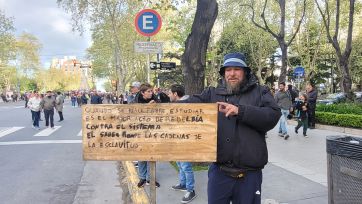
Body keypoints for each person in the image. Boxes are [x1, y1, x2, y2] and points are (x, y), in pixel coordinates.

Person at [183, 53, 280, 204]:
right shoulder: (212, 93)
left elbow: (272, 116)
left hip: (249, 176)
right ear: (223, 73)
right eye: (228, 70)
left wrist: (240, 111)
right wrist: (158, 108)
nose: (232, 74)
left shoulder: (260, 92)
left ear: (245, 72)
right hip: (219, 173)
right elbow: (187, 106)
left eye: (237, 69)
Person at [168, 84, 196, 203]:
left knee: (186, 167)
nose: (168, 95)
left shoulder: (186, 105)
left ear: (175, 94)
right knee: (180, 165)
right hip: (177, 140)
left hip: (185, 141)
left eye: (170, 93)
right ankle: (183, 184)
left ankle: (191, 190)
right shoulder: (177, 105)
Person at [132, 83, 161, 188]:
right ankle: (142, 178)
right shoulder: (136, 100)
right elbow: (132, 114)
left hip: (153, 132)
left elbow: (162, 111)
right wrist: (146, 107)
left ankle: (150, 179)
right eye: (148, 91)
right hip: (140, 132)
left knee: (152, 156)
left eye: (151, 91)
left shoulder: (155, 99)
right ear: (142, 93)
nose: (151, 93)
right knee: (141, 157)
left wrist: (156, 105)